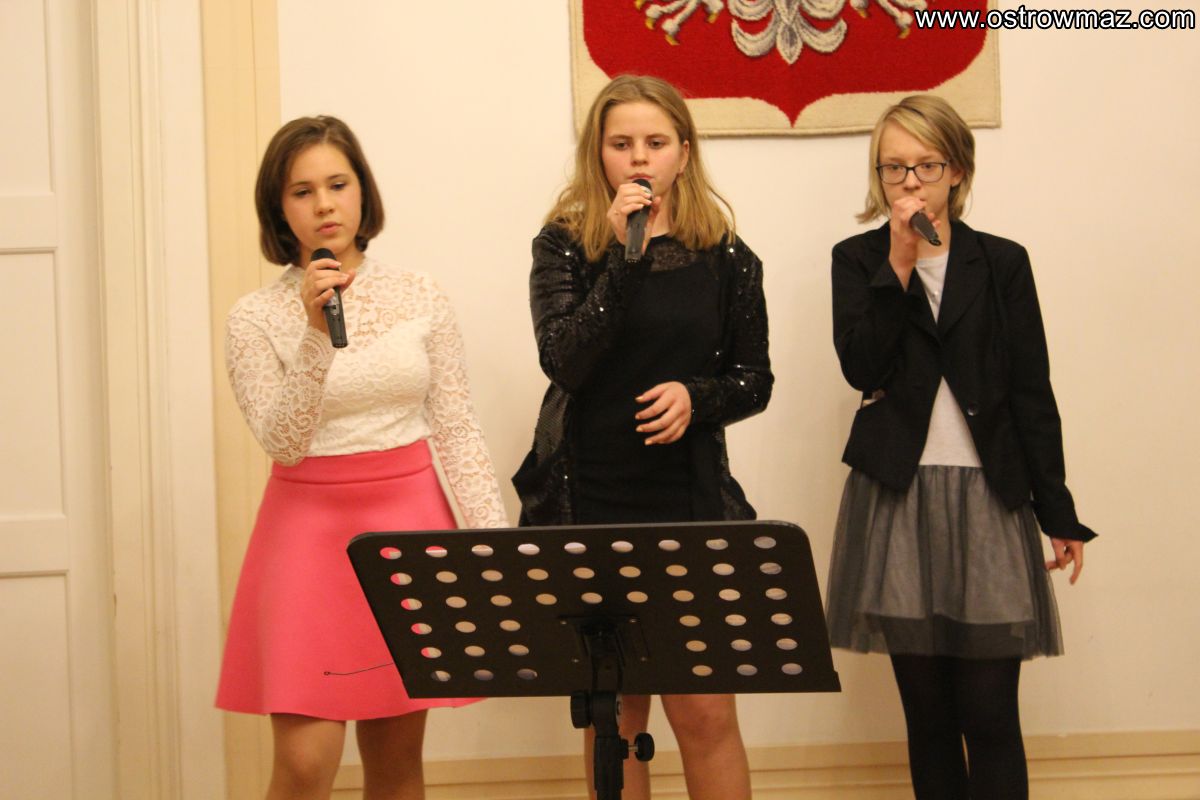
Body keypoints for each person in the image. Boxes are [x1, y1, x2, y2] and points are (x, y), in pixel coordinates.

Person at [216, 115, 507, 800]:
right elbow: (283, 441)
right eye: (302, 191)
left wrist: (493, 547)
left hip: (409, 529)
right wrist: (315, 335)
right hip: (306, 535)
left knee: (398, 763)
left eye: (338, 184)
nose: (324, 205)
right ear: (278, 208)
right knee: (305, 764)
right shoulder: (252, 317)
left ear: (362, 191)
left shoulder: (421, 293)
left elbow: (456, 427)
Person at [824, 94, 1096, 800]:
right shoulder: (857, 260)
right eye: (893, 168)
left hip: (988, 495)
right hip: (896, 497)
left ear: (958, 171)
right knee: (930, 717)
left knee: (989, 713)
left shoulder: (1001, 262)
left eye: (926, 165)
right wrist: (898, 267)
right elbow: (862, 366)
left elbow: (1031, 389)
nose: (909, 182)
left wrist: (1058, 511)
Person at [513, 74, 771, 800]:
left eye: (655, 142)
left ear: (683, 153)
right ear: (598, 154)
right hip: (591, 502)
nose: (638, 158)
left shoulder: (727, 256)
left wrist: (698, 396)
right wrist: (625, 261)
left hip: (687, 503)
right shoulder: (564, 246)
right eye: (621, 143)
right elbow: (565, 359)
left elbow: (755, 379)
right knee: (616, 715)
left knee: (705, 712)